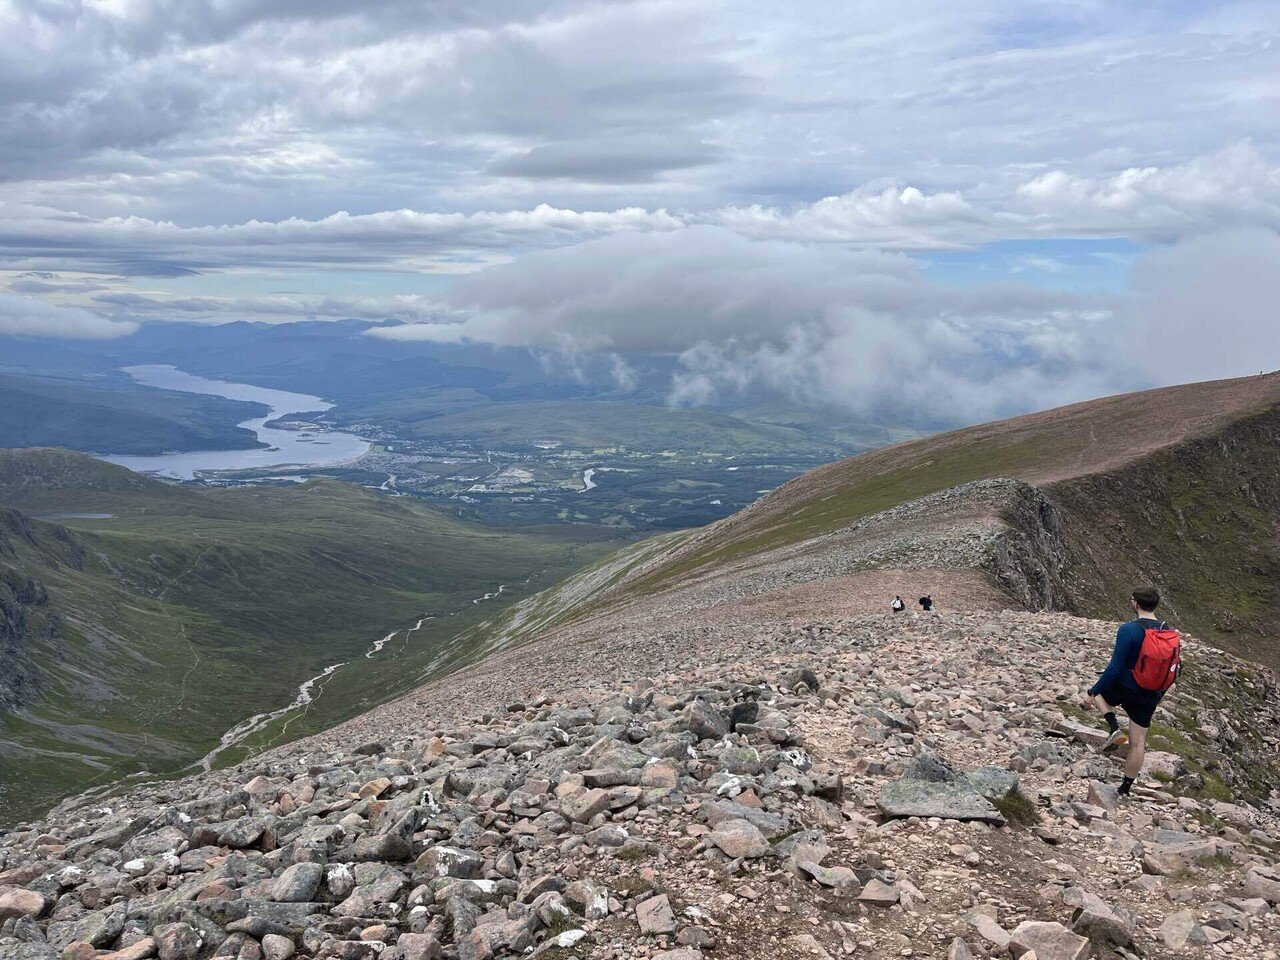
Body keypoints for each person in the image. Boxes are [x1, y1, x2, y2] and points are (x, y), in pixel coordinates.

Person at [1084, 586, 1179, 797]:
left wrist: (1092, 692)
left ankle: (1114, 728)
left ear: (1135, 603)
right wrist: (1157, 695)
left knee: (1098, 692)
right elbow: (1175, 669)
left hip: (1126, 686)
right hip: (1151, 693)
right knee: (1138, 743)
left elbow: (1115, 668)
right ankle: (1125, 789)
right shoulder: (1170, 632)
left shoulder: (1129, 629)